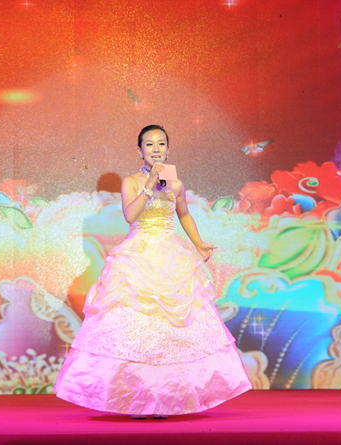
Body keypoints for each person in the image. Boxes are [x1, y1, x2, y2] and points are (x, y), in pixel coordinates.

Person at [54, 125, 251, 418]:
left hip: (171, 257)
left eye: (161, 144)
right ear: (140, 150)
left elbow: (184, 214)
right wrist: (149, 185)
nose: (155, 149)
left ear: (168, 149)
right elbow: (130, 215)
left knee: (172, 331)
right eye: (149, 144)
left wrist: (198, 243)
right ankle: (135, 399)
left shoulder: (176, 184)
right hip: (137, 257)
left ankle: (166, 399)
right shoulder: (131, 182)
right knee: (135, 329)